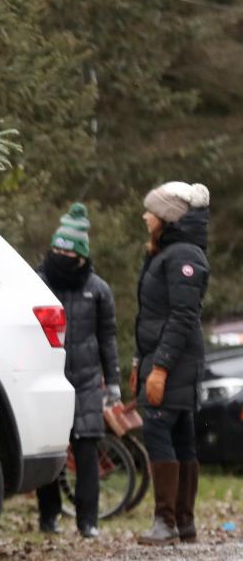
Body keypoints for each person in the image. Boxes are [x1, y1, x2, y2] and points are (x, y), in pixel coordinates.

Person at [36, 203, 120, 538]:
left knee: (86, 454)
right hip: (46, 379)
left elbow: (108, 338)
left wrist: (112, 382)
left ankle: (89, 521)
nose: (59, 255)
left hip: (86, 382)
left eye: (66, 251)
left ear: (81, 256)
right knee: (49, 451)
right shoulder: (37, 282)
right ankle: (48, 516)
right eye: (56, 248)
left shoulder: (98, 290)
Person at [133, 182, 210, 546]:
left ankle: (167, 522)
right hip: (163, 357)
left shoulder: (183, 257)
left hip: (175, 360)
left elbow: (182, 316)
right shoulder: (168, 253)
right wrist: (141, 362)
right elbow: (153, 315)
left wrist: (160, 367)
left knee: (161, 430)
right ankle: (183, 524)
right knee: (179, 435)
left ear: (167, 217)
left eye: (151, 210)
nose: (145, 215)